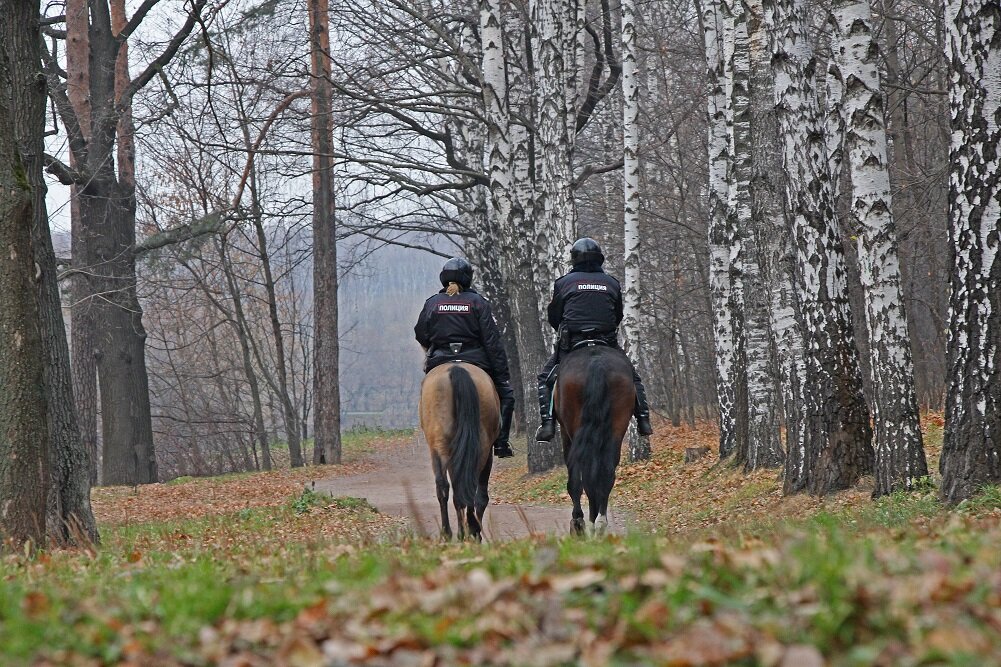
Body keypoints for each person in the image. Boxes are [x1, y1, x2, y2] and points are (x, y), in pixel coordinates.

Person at [535, 237, 654, 441]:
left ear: (574, 260)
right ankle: (643, 419)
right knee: (633, 378)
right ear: (600, 259)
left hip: (573, 343)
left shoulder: (563, 283)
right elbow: (618, 315)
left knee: (545, 379)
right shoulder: (612, 283)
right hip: (606, 341)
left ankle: (547, 424)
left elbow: (554, 316)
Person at [415, 257, 515, 458]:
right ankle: (502, 443)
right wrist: (501, 374)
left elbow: (421, 334)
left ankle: (431, 433)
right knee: (508, 396)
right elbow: (491, 340)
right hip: (475, 359)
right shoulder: (478, 303)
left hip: (441, 359)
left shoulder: (432, 303)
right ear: (468, 278)